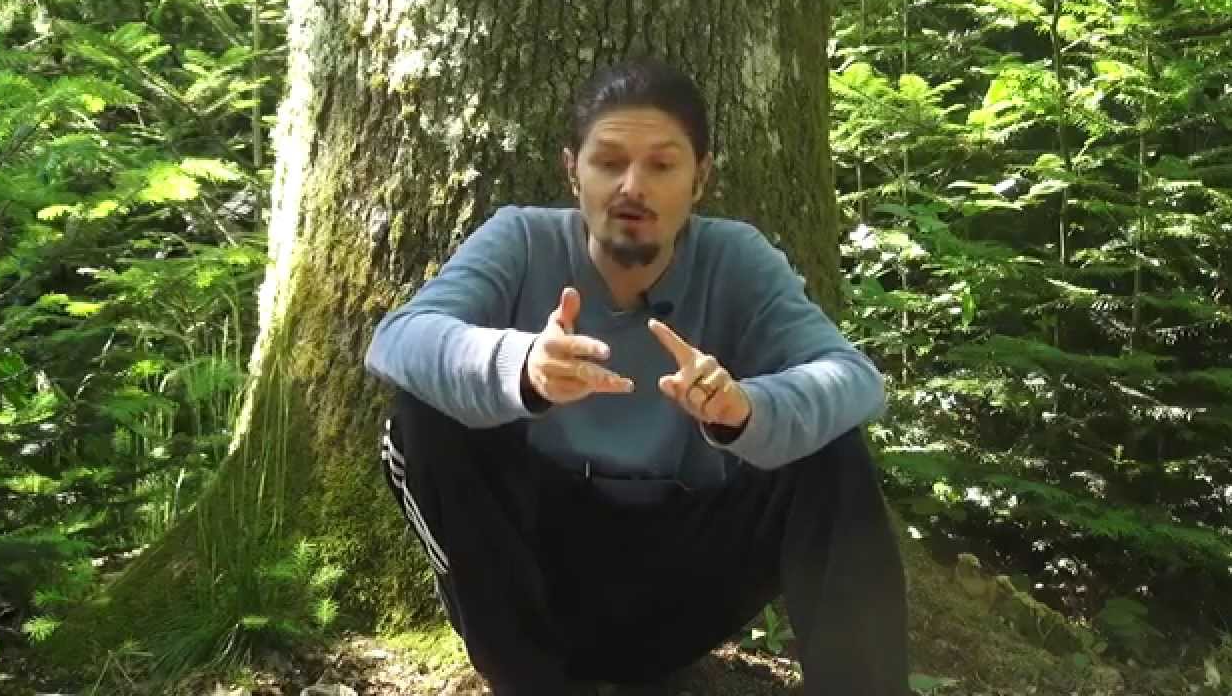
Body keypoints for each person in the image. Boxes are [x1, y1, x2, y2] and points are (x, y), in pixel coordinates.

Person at [363, 57, 910, 696]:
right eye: (609, 162)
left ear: (700, 179)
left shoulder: (736, 261)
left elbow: (853, 377)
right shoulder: (522, 242)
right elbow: (397, 339)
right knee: (422, 419)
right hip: (530, 585)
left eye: (661, 166)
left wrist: (747, 410)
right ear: (573, 171)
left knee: (830, 451)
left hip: (682, 580)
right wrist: (522, 367)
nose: (632, 187)